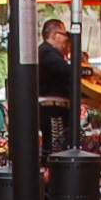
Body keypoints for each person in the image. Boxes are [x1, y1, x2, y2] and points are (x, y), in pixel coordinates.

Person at [37, 18, 77, 153]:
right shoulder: (47, 52)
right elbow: (66, 71)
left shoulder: (51, 53)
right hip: (53, 111)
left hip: (57, 110)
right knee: (55, 149)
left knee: (59, 148)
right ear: (54, 34)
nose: (66, 40)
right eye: (64, 35)